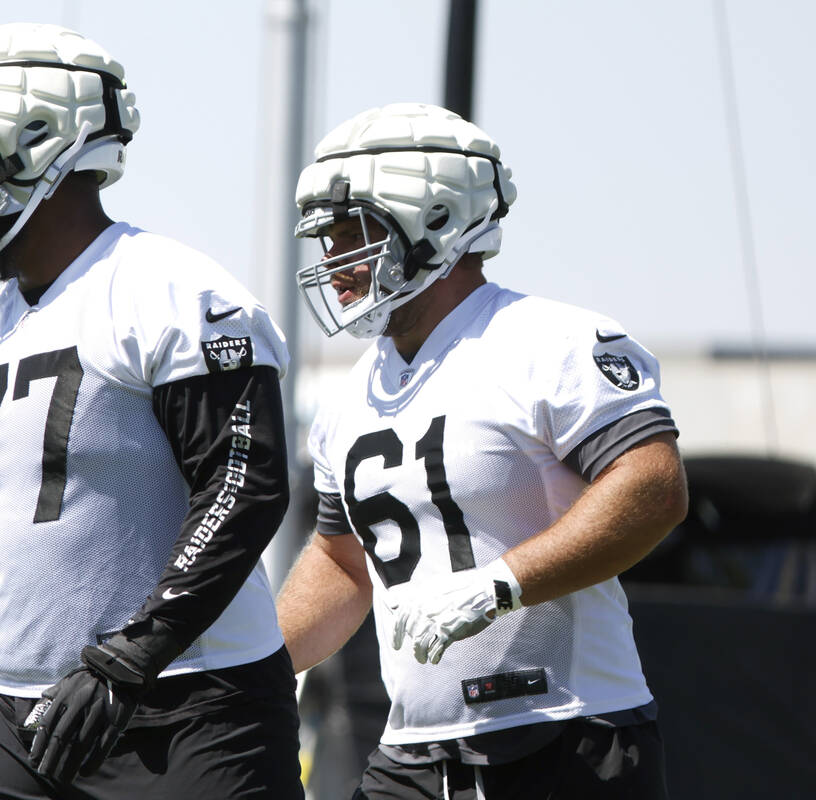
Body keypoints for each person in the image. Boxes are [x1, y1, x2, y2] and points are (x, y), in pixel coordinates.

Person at [0, 22, 303, 800]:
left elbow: (243, 486)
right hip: (14, 711)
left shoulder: (167, 290)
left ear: (40, 145)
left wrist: (130, 658)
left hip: (189, 703)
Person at [275, 103, 688, 799]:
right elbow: (343, 564)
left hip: (566, 735)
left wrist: (501, 583)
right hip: (411, 753)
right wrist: (249, 667)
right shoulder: (347, 396)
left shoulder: (549, 340)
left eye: (353, 233)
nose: (333, 261)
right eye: (326, 238)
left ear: (434, 222)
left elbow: (652, 483)